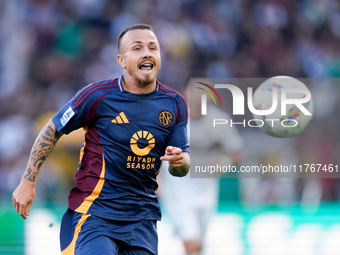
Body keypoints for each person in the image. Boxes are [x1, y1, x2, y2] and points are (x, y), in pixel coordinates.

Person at [12, 24, 190, 255]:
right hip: (94, 214)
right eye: (137, 48)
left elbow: (182, 165)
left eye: (152, 48)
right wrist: (28, 182)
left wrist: (179, 162)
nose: (147, 53)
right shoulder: (97, 96)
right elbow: (52, 129)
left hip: (143, 220)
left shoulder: (174, 103)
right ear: (122, 60)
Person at [159, 81, 244, 255]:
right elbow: (155, 148)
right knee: (190, 240)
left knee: (199, 243)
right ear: (186, 92)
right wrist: (155, 176)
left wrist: (223, 163)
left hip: (206, 188)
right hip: (178, 188)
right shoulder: (172, 118)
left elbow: (236, 150)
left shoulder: (219, 120)